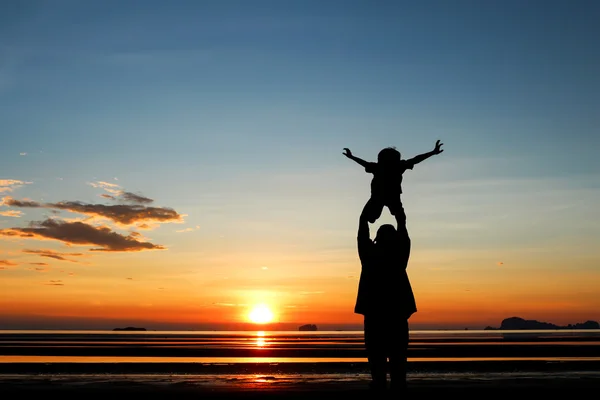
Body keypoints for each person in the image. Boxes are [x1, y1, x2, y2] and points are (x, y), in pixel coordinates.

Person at [354, 201, 415, 394]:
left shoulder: (370, 254)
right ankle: (396, 385)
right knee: (397, 355)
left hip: (375, 313)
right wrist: (397, 212)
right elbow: (404, 232)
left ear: (377, 239)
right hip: (395, 313)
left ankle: (380, 384)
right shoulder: (399, 256)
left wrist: (370, 209)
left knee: (377, 354)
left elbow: (362, 232)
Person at [343, 140, 443, 225]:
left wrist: (352, 157)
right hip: (384, 196)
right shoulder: (394, 166)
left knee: (396, 218)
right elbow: (415, 160)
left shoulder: (384, 167)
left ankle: (400, 231)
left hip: (384, 196)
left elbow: (416, 159)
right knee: (398, 219)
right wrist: (432, 152)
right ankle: (399, 229)